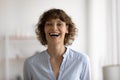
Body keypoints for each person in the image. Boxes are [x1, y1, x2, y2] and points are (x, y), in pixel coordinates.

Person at [23, 8, 91, 80]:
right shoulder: (30, 64)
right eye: (49, 24)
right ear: (43, 29)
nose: (54, 28)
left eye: (59, 24)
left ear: (67, 29)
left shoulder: (82, 60)